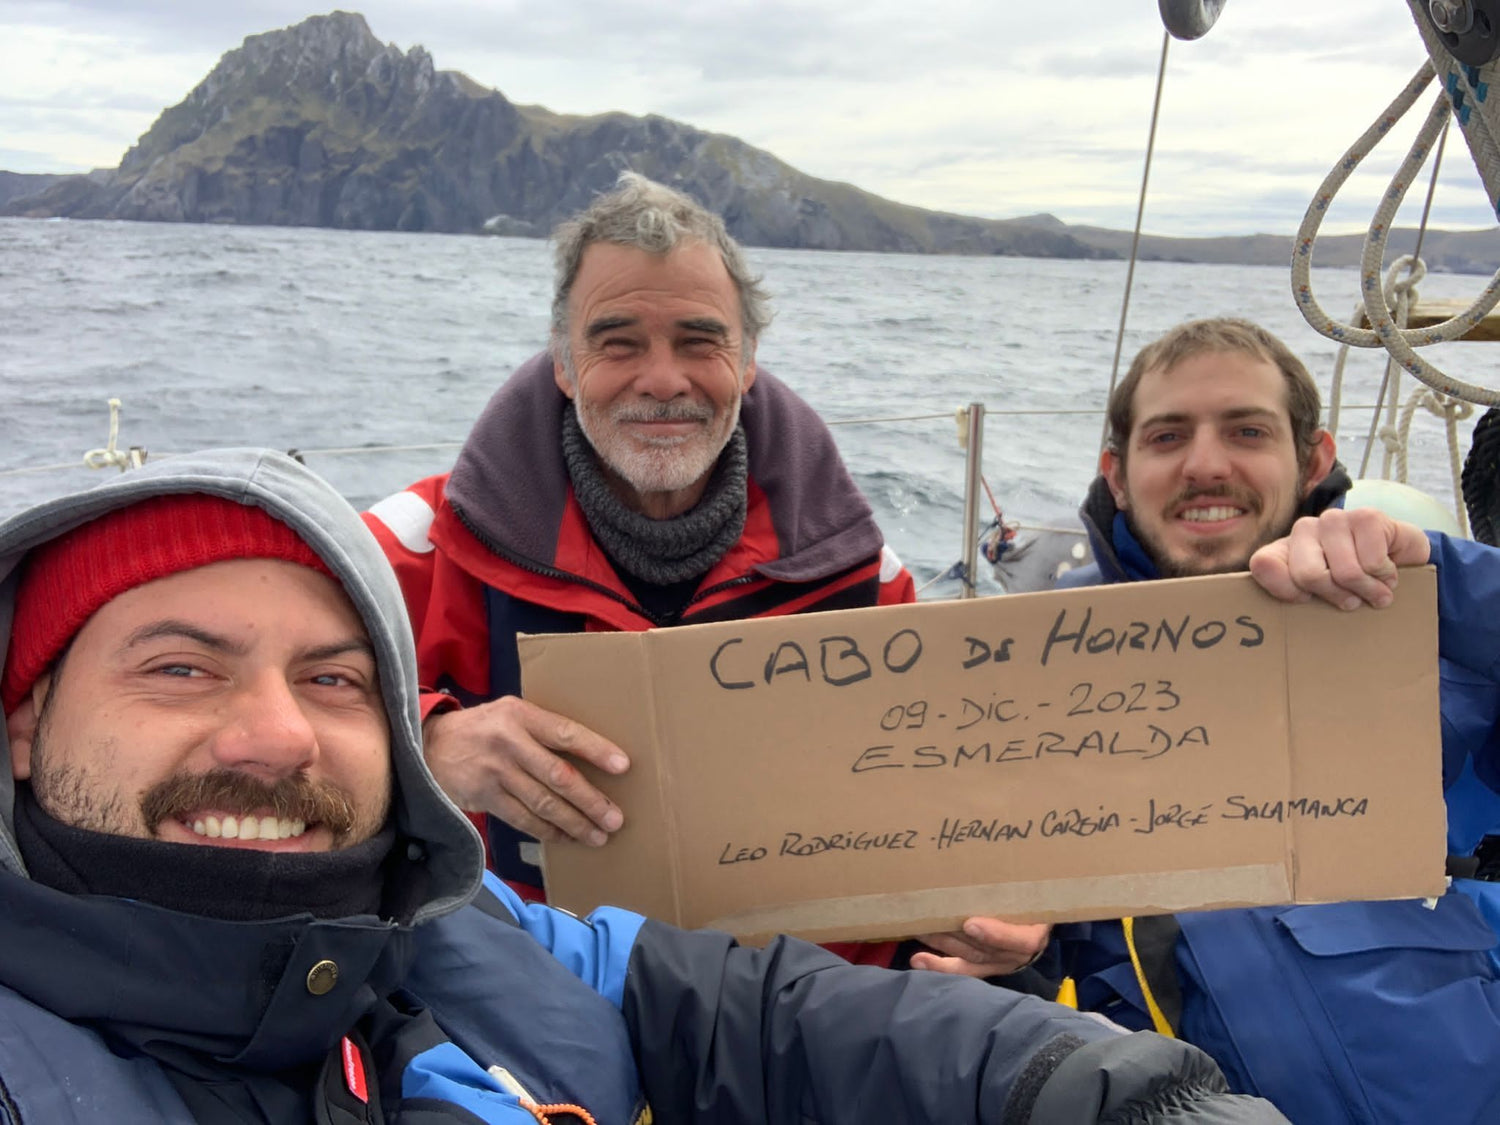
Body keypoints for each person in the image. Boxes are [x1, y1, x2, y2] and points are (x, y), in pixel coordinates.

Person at [0, 446, 1288, 1124]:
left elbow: (771, 1013)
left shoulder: (473, 931)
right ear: (24, 721)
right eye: (179, 669)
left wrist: (1126, 1096)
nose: (275, 736)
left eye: (335, 680)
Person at [365, 171, 1040, 975]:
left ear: (747, 362)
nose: (662, 379)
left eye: (698, 341)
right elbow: (263, 732)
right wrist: (429, 744)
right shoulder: (408, 550)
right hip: (513, 992)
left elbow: (947, 812)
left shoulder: (863, 581)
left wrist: (995, 921)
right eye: (618, 341)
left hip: (794, 1004)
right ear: (563, 364)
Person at [1037, 317, 1500, 1123]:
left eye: (1247, 431)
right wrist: (1008, 961)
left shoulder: (1436, 640)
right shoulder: (1023, 686)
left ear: (1313, 459)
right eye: (1167, 436)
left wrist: (1441, 574)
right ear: (1118, 475)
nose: (1206, 465)